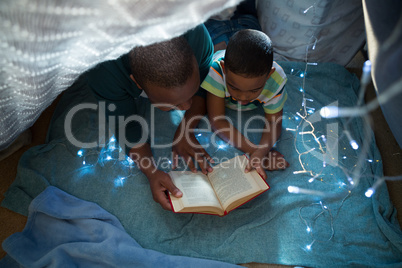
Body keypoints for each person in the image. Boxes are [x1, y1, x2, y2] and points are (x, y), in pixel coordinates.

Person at [86, 24, 214, 210]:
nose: (187, 107)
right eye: (173, 104)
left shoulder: (197, 35)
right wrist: (152, 172)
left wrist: (187, 127)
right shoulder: (104, 71)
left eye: (190, 94)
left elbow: (206, 81)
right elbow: (126, 126)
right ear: (136, 82)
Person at [201, 29, 289, 180]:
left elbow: (274, 121)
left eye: (254, 90)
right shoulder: (216, 70)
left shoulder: (277, 79)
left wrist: (261, 152)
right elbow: (217, 120)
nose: (242, 97)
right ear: (224, 70)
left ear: (269, 75)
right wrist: (257, 152)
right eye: (234, 87)